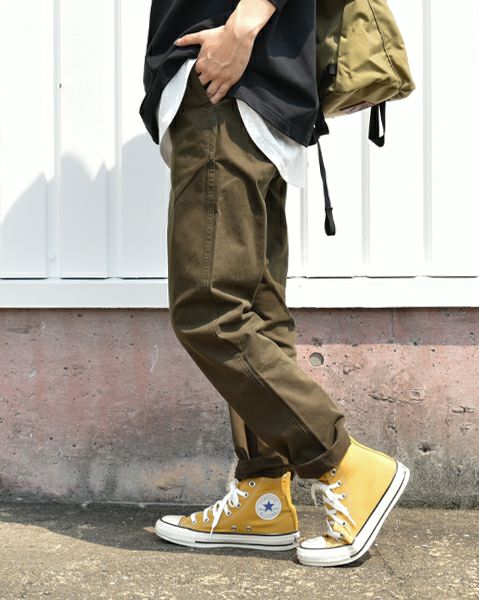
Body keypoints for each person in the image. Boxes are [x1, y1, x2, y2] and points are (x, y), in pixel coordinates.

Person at [140, 0, 410, 567]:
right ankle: (264, 494)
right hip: (255, 97)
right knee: (256, 315)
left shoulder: (233, 54)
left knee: (210, 310)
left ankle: (346, 464)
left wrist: (242, 28)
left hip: (226, 87)